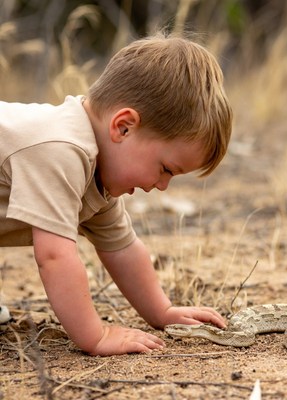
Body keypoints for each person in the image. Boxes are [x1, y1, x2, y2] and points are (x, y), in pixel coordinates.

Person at [0, 33, 232, 356]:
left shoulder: (97, 173)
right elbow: (54, 256)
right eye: (165, 169)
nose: (162, 186)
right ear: (123, 127)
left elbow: (123, 248)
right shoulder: (62, 151)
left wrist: (162, 312)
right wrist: (96, 335)